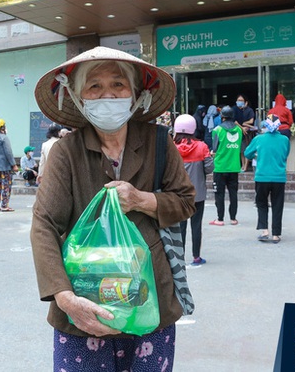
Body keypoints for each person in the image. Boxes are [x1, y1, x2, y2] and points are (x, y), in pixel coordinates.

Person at [30, 46, 195, 371]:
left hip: (150, 299)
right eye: (94, 86)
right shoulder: (66, 152)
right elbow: (44, 225)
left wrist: (140, 199)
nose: (107, 94)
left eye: (118, 84)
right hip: (84, 302)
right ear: (79, 97)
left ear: (135, 94)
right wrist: (65, 299)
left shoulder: (160, 143)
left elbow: (186, 200)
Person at [173, 114, 213, 265]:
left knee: (180, 227)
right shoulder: (202, 146)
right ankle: (196, 257)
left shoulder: (171, 147)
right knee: (196, 226)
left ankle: (180, 257)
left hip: (178, 195)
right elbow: (209, 168)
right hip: (198, 195)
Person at [244, 115, 290, 243]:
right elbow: (285, 154)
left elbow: (247, 153)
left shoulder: (259, 139)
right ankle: (276, 234)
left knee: (262, 204)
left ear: (265, 125)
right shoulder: (284, 139)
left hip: (262, 177)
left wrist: (256, 155)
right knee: (277, 205)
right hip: (279, 177)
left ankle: (264, 231)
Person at [210, 106, 243, 226]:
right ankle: (233, 218)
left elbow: (214, 148)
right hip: (234, 166)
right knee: (233, 193)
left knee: (219, 193)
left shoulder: (217, 130)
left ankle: (220, 219)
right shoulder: (239, 130)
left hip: (220, 167)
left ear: (222, 117)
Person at [233, 94, 255, 172]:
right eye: (238, 100)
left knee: (247, 149)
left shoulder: (248, 110)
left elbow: (251, 121)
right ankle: (242, 165)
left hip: (247, 133)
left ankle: (245, 166)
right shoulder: (235, 110)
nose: (240, 102)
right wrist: (242, 128)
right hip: (239, 133)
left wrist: (244, 125)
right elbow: (235, 122)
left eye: (241, 100)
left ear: (246, 102)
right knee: (241, 150)